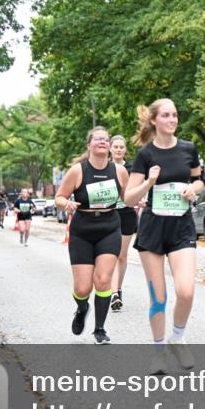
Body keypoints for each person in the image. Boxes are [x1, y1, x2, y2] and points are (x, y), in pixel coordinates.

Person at [123, 99, 204, 371]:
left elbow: (200, 179)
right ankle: (158, 351)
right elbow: (129, 198)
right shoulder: (146, 155)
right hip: (153, 229)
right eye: (166, 115)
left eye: (175, 115)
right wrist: (149, 182)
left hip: (181, 227)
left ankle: (177, 339)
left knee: (186, 290)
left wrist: (195, 189)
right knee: (159, 298)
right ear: (155, 121)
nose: (172, 119)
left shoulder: (188, 149)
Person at [54, 126, 128, 345]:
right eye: (98, 139)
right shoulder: (78, 170)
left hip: (109, 226)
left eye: (106, 139)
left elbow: (129, 197)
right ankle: (82, 307)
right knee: (82, 288)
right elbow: (59, 196)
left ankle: (100, 329)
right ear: (89, 145)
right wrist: (65, 202)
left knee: (104, 280)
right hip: (82, 230)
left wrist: (140, 196)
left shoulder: (119, 171)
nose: (103, 142)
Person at [109, 135, 138, 312]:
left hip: (127, 214)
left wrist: (138, 199)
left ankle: (118, 289)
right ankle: (113, 294)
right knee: (112, 254)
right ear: (110, 149)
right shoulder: (105, 167)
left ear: (125, 149)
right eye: (116, 147)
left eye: (122, 147)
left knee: (122, 256)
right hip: (110, 214)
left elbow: (136, 188)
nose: (119, 149)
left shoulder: (132, 168)